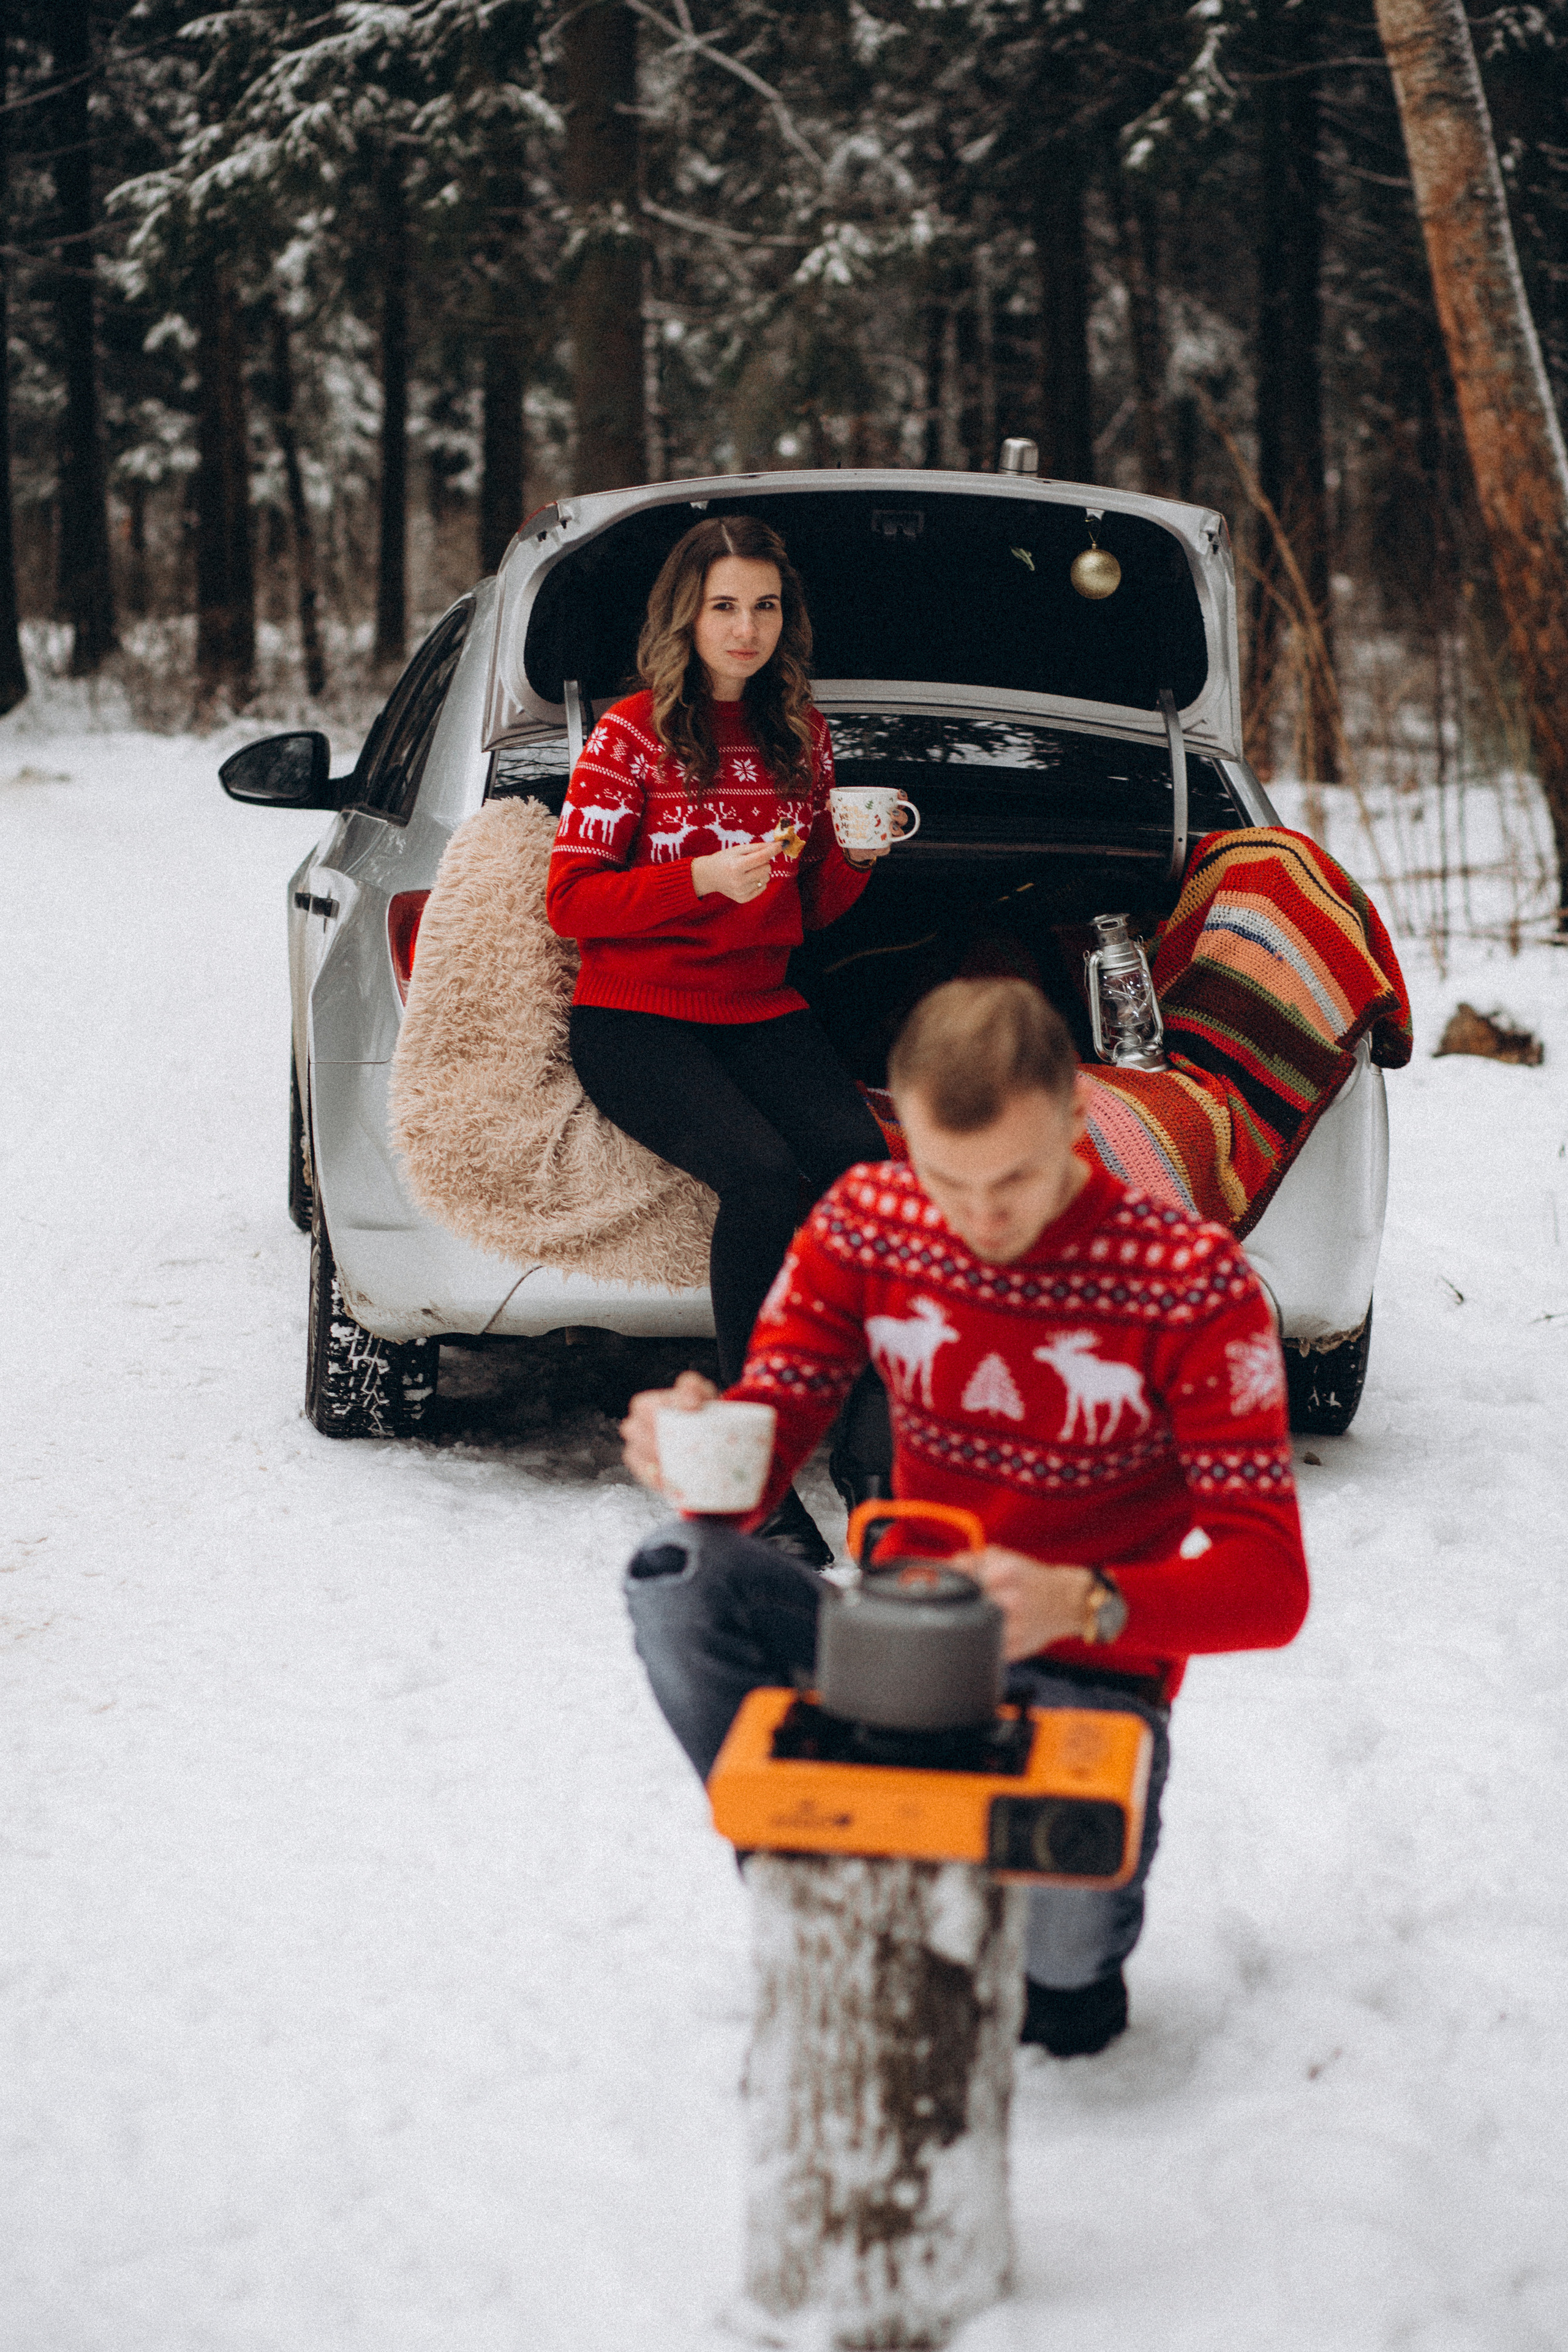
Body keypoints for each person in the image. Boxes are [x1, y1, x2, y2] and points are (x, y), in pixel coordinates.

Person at [618, 977, 1310, 2057]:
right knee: (678, 1570)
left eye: (1016, 1180)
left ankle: (1059, 1965)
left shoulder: (1191, 1286)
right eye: (947, 1180)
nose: (981, 1220)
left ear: (1080, 1124)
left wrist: (1082, 1599)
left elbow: (1270, 1587)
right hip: (902, 1644)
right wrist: (695, 1438)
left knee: (1059, 2002)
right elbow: (761, 1457)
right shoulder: (869, 1222)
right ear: (905, 1141)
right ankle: (817, 1870)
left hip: (1081, 1677)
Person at [547, 515, 897, 1568]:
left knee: (868, 1181)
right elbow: (572, 902)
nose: (746, 629)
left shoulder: (804, 735)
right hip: (636, 1015)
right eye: (724, 606)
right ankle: (749, 1479)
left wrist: (858, 857)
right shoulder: (629, 736)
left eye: (765, 606)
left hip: (760, 1006)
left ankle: (877, 1464)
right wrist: (701, 875)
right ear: (685, 617)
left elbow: (814, 911)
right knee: (762, 1179)